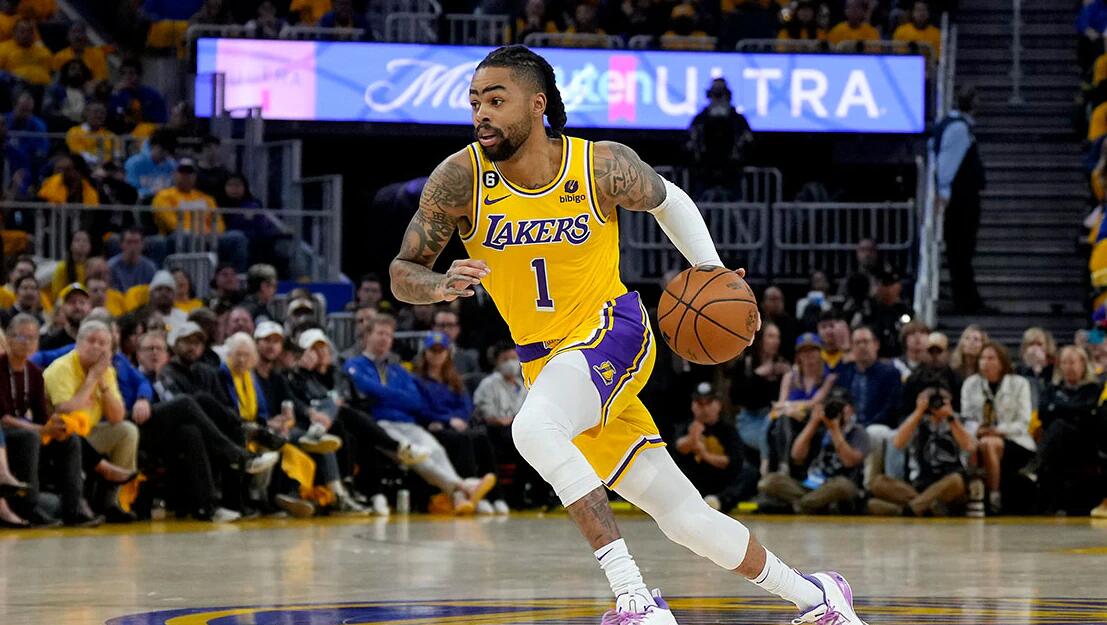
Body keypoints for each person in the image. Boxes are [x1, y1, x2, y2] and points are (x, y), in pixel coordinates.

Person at [389, 45, 868, 624]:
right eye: (474, 102)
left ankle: (635, 600)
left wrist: (710, 268)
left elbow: (669, 200)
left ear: (537, 104)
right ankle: (818, 598)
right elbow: (402, 272)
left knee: (533, 429)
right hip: (549, 366)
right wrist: (439, 285)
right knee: (685, 518)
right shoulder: (460, 177)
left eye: (496, 99)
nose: (481, 113)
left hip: (612, 329)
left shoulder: (598, 165)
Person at [346, 315, 493, 515]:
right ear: (367, 336)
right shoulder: (355, 364)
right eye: (380, 333)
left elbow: (415, 401)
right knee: (418, 456)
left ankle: (459, 496)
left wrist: (384, 394)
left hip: (408, 423)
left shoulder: (398, 370)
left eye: (389, 335)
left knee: (436, 451)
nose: (384, 338)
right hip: (380, 426)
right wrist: (396, 395)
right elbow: (366, 389)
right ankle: (463, 488)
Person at [43, 319, 138, 522]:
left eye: (103, 343)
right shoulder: (62, 367)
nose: (96, 347)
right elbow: (64, 410)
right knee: (70, 431)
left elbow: (117, 417)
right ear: (78, 343)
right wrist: (92, 378)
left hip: (89, 432)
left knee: (127, 431)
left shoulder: (107, 371)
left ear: (110, 350)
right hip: (59, 435)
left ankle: (111, 503)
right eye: (91, 340)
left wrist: (102, 383)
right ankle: (98, 479)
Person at [413, 331, 504, 514]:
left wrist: (460, 419)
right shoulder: (417, 380)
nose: (437, 355)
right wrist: (447, 420)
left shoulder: (454, 379)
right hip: (435, 427)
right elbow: (421, 408)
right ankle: (470, 493)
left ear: (447, 353)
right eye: (433, 350)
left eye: (441, 350)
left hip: (459, 425)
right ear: (425, 353)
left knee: (481, 437)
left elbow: (466, 405)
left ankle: (496, 496)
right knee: (463, 440)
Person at [867, 381, 974, 517]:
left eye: (942, 399)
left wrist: (950, 418)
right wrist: (918, 412)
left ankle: (906, 510)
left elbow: (970, 446)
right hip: (919, 485)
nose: (936, 403)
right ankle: (926, 507)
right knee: (878, 482)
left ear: (950, 400)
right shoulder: (916, 420)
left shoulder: (959, 420)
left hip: (948, 485)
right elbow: (897, 443)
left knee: (956, 480)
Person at [759, 387, 870, 514]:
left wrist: (835, 430)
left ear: (851, 409)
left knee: (844, 486)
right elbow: (796, 455)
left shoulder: (858, 432)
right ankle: (814, 505)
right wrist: (813, 423)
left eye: (841, 406)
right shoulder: (818, 427)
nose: (836, 410)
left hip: (836, 485)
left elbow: (849, 462)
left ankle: (803, 504)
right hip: (810, 484)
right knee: (768, 482)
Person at [1024, 346, 1102, 514]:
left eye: (1072, 362)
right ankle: (1048, 501)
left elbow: (1088, 413)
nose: (1068, 367)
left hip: (1084, 442)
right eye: (1064, 363)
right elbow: (1044, 413)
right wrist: (1070, 410)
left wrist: (1059, 408)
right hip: (1057, 444)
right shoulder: (1052, 389)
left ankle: (1035, 466)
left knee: (1059, 426)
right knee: (1057, 431)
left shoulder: (1094, 389)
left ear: (1083, 364)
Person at [934, 86, 991, 314]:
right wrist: (944, 193)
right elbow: (947, 164)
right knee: (960, 250)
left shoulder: (956, 125)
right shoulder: (957, 128)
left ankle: (967, 298)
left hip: (962, 198)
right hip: (960, 200)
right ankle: (965, 301)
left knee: (962, 251)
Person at [960, 341, 1034, 514]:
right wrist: (977, 429)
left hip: (1014, 440)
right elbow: (966, 417)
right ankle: (974, 496)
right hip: (978, 436)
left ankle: (994, 495)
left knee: (989, 443)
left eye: (991, 358)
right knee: (973, 445)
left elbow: (1024, 422)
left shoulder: (1019, 383)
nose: (985, 362)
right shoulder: (970, 383)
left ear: (1002, 362)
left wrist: (999, 430)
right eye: (982, 358)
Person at [834, 326, 903, 487]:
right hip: (849, 426)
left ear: (876, 345)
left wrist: (864, 426)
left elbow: (891, 408)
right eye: (857, 343)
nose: (862, 346)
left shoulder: (890, 373)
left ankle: (868, 485)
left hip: (879, 426)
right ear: (852, 347)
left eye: (865, 342)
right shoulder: (845, 373)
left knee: (872, 433)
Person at [152, 158, 249, 272]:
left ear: (195, 176)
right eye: (182, 172)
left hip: (208, 237)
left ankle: (236, 276)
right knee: (188, 236)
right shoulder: (163, 196)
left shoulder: (206, 198)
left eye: (190, 173)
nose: (186, 176)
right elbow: (171, 223)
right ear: (175, 174)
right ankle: (187, 275)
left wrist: (213, 234)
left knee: (237, 237)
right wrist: (196, 234)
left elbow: (218, 221)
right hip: (177, 237)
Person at [674, 382, 757, 513]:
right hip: (695, 479)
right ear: (693, 405)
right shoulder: (686, 426)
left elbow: (732, 462)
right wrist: (693, 437)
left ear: (718, 405)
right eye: (700, 404)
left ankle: (718, 501)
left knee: (749, 473)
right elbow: (678, 447)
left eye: (708, 403)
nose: (704, 409)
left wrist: (704, 454)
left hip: (721, 481)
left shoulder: (728, 430)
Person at [729, 321, 789, 473]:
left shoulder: (782, 365)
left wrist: (786, 376)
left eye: (778, 337)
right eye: (770, 336)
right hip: (750, 418)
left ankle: (770, 469)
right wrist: (758, 375)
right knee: (767, 439)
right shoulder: (746, 364)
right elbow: (735, 397)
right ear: (760, 339)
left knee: (774, 432)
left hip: (773, 416)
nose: (775, 341)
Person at [686, 77, 753, 197]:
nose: (718, 98)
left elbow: (748, 139)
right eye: (715, 94)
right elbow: (690, 142)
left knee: (734, 202)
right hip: (705, 171)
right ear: (709, 95)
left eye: (720, 94)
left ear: (727, 95)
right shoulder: (700, 119)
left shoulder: (738, 119)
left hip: (732, 171)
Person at [850, 264, 914, 359]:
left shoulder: (906, 311)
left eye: (891, 284)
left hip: (900, 359)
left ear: (899, 286)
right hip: (872, 360)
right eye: (884, 284)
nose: (888, 289)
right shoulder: (866, 310)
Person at [109, 58, 168, 130]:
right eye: (123, 73)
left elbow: (161, 121)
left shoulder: (152, 95)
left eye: (131, 73)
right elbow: (113, 115)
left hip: (147, 132)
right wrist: (115, 93)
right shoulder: (118, 94)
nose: (127, 77)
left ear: (140, 75)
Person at [124, 129, 176, 203]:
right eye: (161, 151)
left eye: (168, 153)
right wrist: (151, 192)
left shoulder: (172, 164)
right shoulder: (134, 163)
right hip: (140, 204)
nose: (164, 156)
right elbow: (131, 191)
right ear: (152, 146)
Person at [65, 102, 120, 168]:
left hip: (108, 168)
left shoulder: (110, 135)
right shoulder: (74, 132)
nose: (99, 115)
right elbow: (81, 154)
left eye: (103, 113)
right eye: (95, 112)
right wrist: (101, 163)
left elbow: (117, 155)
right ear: (86, 113)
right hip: (84, 168)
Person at [0, 18, 53, 86]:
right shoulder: (2, 49)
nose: (26, 35)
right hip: (14, 87)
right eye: (22, 31)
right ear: (14, 32)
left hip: (43, 87)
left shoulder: (44, 52)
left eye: (29, 32)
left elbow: (49, 72)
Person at [40, 283, 91, 351]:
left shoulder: (99, 341)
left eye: (82, 302)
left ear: (90, 306)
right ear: (63, 307)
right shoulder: (49, 344)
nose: (77, 307)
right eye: (72, 302)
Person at [108, 227, 158, 292]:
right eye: (129, 242)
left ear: (143, 244)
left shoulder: (150, 267)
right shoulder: (111, 266)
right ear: (121, 244)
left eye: (136, 242)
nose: (133, 246)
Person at [51, 230, 92, 301]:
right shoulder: (62, 267)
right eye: (77, 240)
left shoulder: (93, 267)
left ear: (90, 246)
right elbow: (57, 296)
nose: (82, 244)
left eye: (85, 241)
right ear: (70, 245)